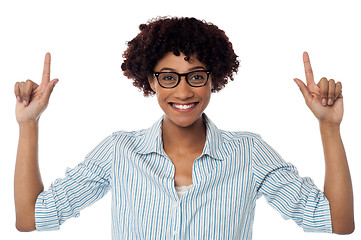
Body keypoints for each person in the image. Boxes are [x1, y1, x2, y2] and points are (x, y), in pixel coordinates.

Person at [14, 17, 354, 239]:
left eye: (195, 76)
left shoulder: (249, 153)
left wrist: (329, 127)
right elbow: (32, 217)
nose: (183, 91)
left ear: (213, 79)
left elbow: (337, 222)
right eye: (168, 77)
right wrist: (28, 125)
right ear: (150, 80)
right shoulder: (119, 152)